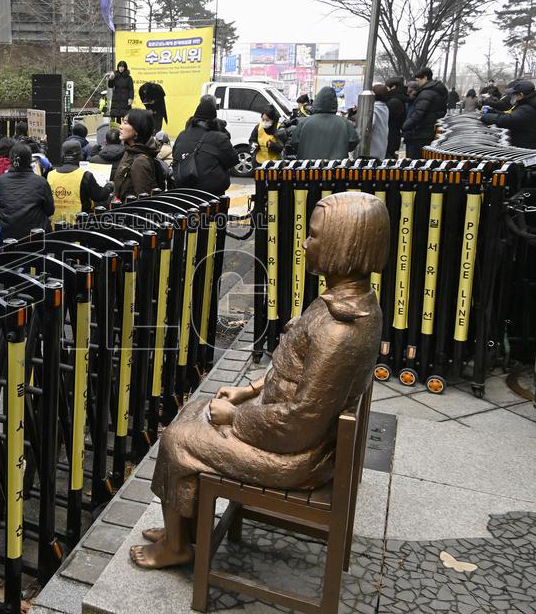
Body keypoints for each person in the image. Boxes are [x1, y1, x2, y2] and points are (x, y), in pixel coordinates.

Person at [129, 192, 387, 569]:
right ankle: (180, 529)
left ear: (342, 244)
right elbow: (295, 371)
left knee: (177, 438)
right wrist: (249, 390)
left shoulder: (340, 329)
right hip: (300, 434)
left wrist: (235, 417)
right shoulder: (346, 301)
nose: (304, 243)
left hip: (300, 455)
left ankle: (176, 547)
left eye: (313, 236)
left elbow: (299, 423)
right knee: (198, 409)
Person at [172, 98, 239, 196]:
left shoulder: (182, 135)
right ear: (214, 121)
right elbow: (233, 160)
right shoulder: (219, 137)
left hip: (182, 190)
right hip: (210, 194)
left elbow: (175, 155)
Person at [0, 143, 54, 242]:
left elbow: (2, 203)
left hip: (8, 234)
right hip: (35, 237)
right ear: (30, 160)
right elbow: (50, 210)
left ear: (11, 159)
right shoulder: (41, 182)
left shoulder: (0, 181)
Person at [46, 140, 113, 223]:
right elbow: (99, 196)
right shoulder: (85, 175)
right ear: (80, 155)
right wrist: (109, 186)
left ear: (62, 155)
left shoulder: (50, 175)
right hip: (79, 226)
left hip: (55, 225)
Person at [290, 86, 359, 160]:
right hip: (335, 168)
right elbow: (353, 141)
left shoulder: (304, 122)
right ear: (335, 103)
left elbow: (294, 142)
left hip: (308, 168)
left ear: (317, 101)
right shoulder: (344, 123)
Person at [480, 80, 536, 151]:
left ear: (521, 95)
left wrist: (486, 117)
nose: (511, 97)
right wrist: (492, 111)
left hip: (526, 148)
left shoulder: (527, 109)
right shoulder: (528, 105)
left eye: (513, 95)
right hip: (529, 144)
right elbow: (512, 115)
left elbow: (507, 120)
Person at [115, 109, 163, 200]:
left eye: (125, 123)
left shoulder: (141, 161)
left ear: (137, 129)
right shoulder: (129, 151)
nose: (120, 127)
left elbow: (143, 199)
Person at [401, 68, 449, 158]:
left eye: (418, 80)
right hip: (430, 131)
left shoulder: (426, 93)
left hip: (419, 132)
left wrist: (405, 126)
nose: (417, 83)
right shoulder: (438, 91)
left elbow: (418, 114)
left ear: (425, 78)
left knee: (414, 160)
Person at [383, 77, 407, 157]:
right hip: (394, 135)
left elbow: (385, 117)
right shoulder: (399, 98)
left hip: (390, 135)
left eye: (387, 87)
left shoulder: (394, 101)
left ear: (393, 87)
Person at [369, 84, 391, 159]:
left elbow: (368, 126)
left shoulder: (373, 109)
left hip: (372, 148)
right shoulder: (385, 108)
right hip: (382, 146)